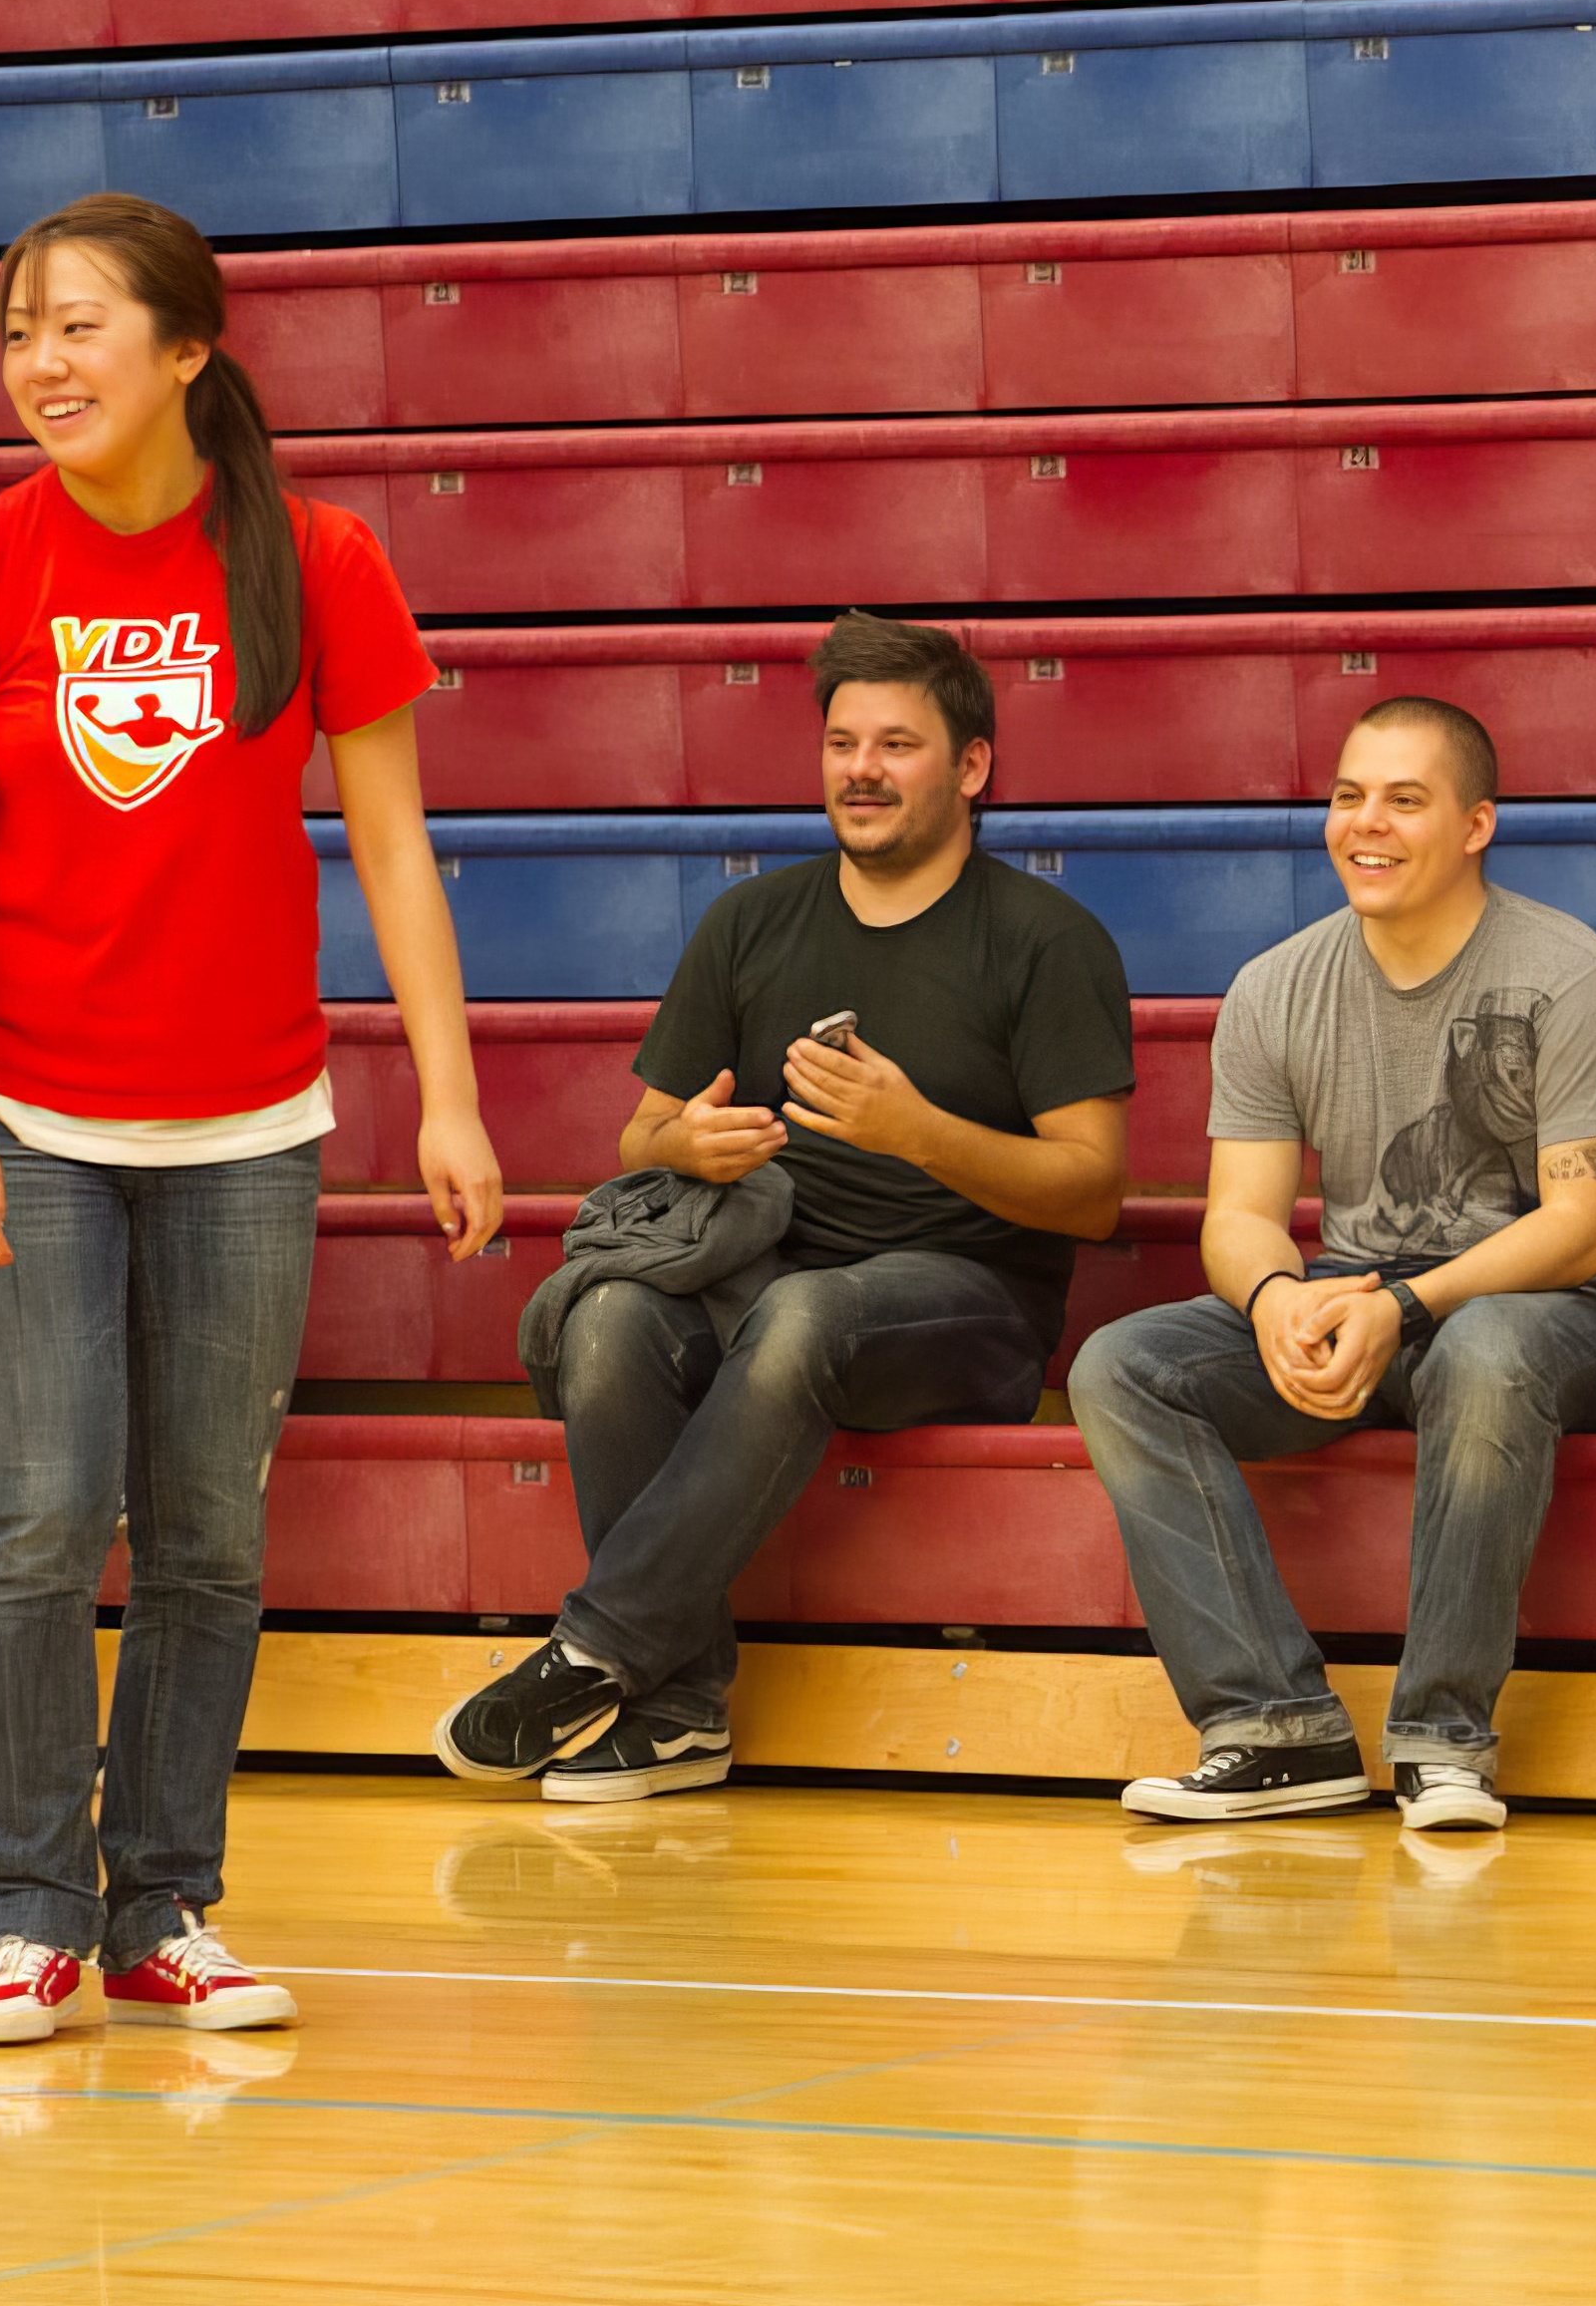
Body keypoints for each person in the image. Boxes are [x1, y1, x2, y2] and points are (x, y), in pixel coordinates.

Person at [0, 192, 502, 2047]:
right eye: (18, 333)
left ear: (188, 351)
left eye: (77, 327)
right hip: (28, 1108)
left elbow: (392, 843)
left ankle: (163, 1906)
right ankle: (30, 1912)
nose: (41, 364)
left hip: (250, 1120)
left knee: (212, 1530)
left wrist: (447, 1097)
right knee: (44, 1518)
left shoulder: (316, 560)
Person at [434, 613, 1132, 1803]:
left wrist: (916, 1131)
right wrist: (690, 1146)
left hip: (965, 1304)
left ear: (971, 767)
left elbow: (1094, 1191)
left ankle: (600, 1643)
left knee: (806, 1312)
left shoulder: (1045, 938)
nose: (860, 768)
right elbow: (640, 1135)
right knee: (608, 1317)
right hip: (765, 1279)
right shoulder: (751, 921)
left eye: (897, 743)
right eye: (842, 741)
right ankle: (678, 1709)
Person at [1066, 697, 1596, 1833]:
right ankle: (1274, 1727)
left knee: (1483, 1348)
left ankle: (1443, 1743)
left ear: (1477, 824)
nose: (1363, 823)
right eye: (1347, 795)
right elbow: (1236, 1214)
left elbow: (1583, 1225)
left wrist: (1403, 1300)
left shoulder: (1570, 973)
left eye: (1403, 798)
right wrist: (1279, 1294)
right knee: (1123, 1363)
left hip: (1560, 1317)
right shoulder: (1276, 986)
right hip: (1363, 1298)